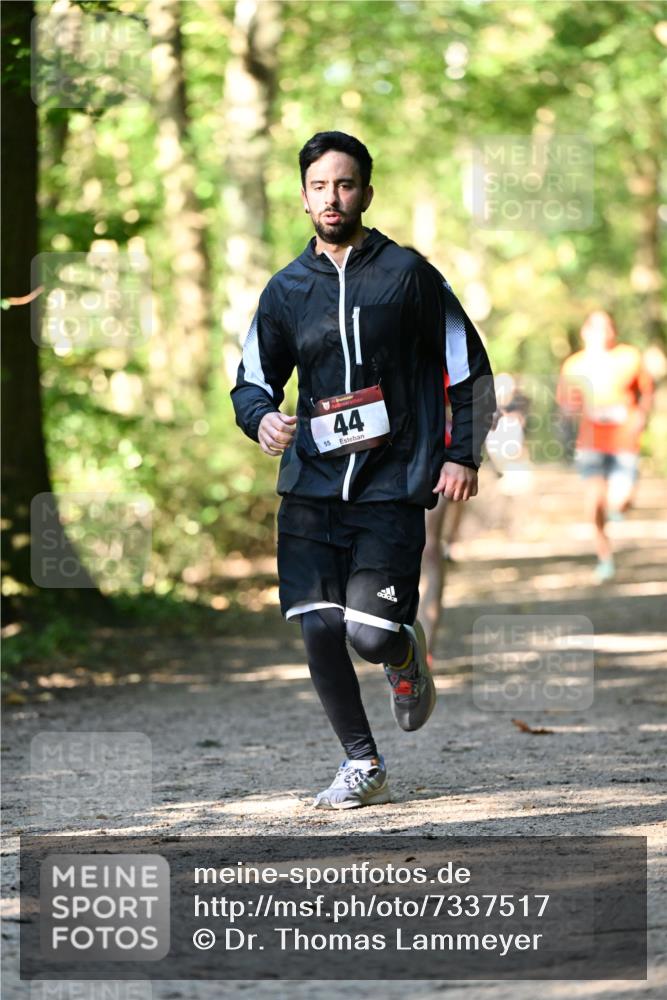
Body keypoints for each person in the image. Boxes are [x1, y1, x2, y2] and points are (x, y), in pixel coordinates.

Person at [231, 131, 495, 808]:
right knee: (318, 624)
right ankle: (362, 762)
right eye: (319, 185)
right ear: (302, 196)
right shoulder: (286, 290)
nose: (332, 197)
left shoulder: (406, 274)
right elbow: (252, 382)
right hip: (312, 485)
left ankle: (404, 653)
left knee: (367, 633)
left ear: (365, 194)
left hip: (391, 483)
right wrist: (261, 417)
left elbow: (466, 369)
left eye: (345, 184)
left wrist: (461, 453)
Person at [557, 310, 653, 583]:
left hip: (624, 439)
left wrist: (641, 417)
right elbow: (565, 402)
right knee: (593, 504)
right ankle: (605, 558)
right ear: (585, 333)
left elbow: (646, 391)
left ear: (614, 331)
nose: (602, 333)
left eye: (607, 327)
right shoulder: (573, 365)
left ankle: (619, 508)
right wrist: (568, 413)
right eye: (596, 328)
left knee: (619, 502)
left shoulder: (629, 357)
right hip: (590, 442)